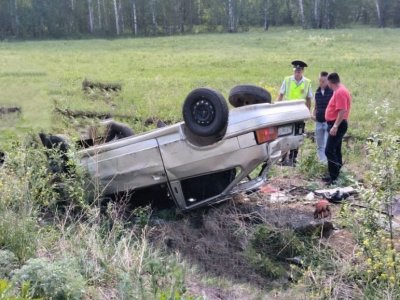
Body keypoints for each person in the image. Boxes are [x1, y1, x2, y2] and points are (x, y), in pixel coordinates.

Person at [277, 60, 313, 166]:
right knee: (284, 134)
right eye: (296, 70)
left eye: (299, 71)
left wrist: (307, 112)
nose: (297, 72)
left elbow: (309, 99)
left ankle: (293, 158)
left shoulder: (307, 82)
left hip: (299, 114)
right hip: (287, 113)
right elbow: (280, 95)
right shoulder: (287, 80)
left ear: (302, 71)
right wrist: (276, 109)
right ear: (293, 70)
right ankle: (283, 158)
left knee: (297, 135)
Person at [323, 72, 351, 185]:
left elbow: (342, 110)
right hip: (335, 124)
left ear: (330, 82)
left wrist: (335, 126)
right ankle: (335, 175)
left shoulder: (340, 92)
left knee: (329, 150)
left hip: (337, 124)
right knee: (336, 150)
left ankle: (334, 177)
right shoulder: (338, 91)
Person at [312, 71, 333, 163]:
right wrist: (313, 114)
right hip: (319, 121)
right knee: (320, 145)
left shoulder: (332, 92)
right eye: (320, 81)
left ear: (328, 81)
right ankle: (322, 163)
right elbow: (316, 106)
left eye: (323, 81)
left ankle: (327, 163)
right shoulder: (317, 92)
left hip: (328, 122)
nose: (321, 83)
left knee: (327, 144)